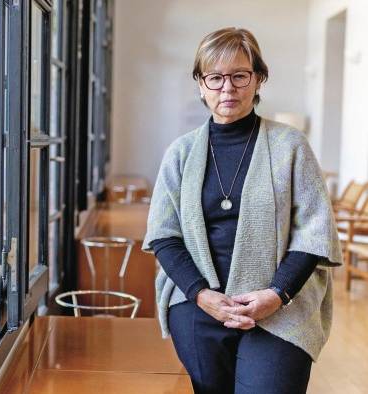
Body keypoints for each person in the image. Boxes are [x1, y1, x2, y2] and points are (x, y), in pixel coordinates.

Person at [142, 27, 342, 394]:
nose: (227, 88)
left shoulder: (291, 145)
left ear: (259, 78)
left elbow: (314, 233)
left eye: (239, 75)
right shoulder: (181, 153)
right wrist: (202, 294)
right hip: (197, 300)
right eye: (215, 77)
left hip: (281, 303)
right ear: (200, 84)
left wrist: (276, 294)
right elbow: (163, 236)